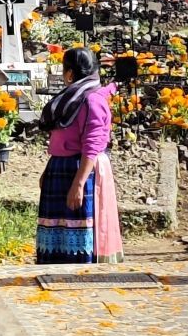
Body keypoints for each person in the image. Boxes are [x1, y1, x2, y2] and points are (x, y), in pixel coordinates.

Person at [36, 47, 123, 265]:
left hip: (82, 170)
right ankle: (55, 270)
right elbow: (60, 139)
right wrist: (49, 169)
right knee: (58, 226)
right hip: (61, 167)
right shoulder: (73, 98)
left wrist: (79, 184)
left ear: (70, 74)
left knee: (78, 223)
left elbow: (91, 147)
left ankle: (80, 273)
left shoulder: (92, 101)